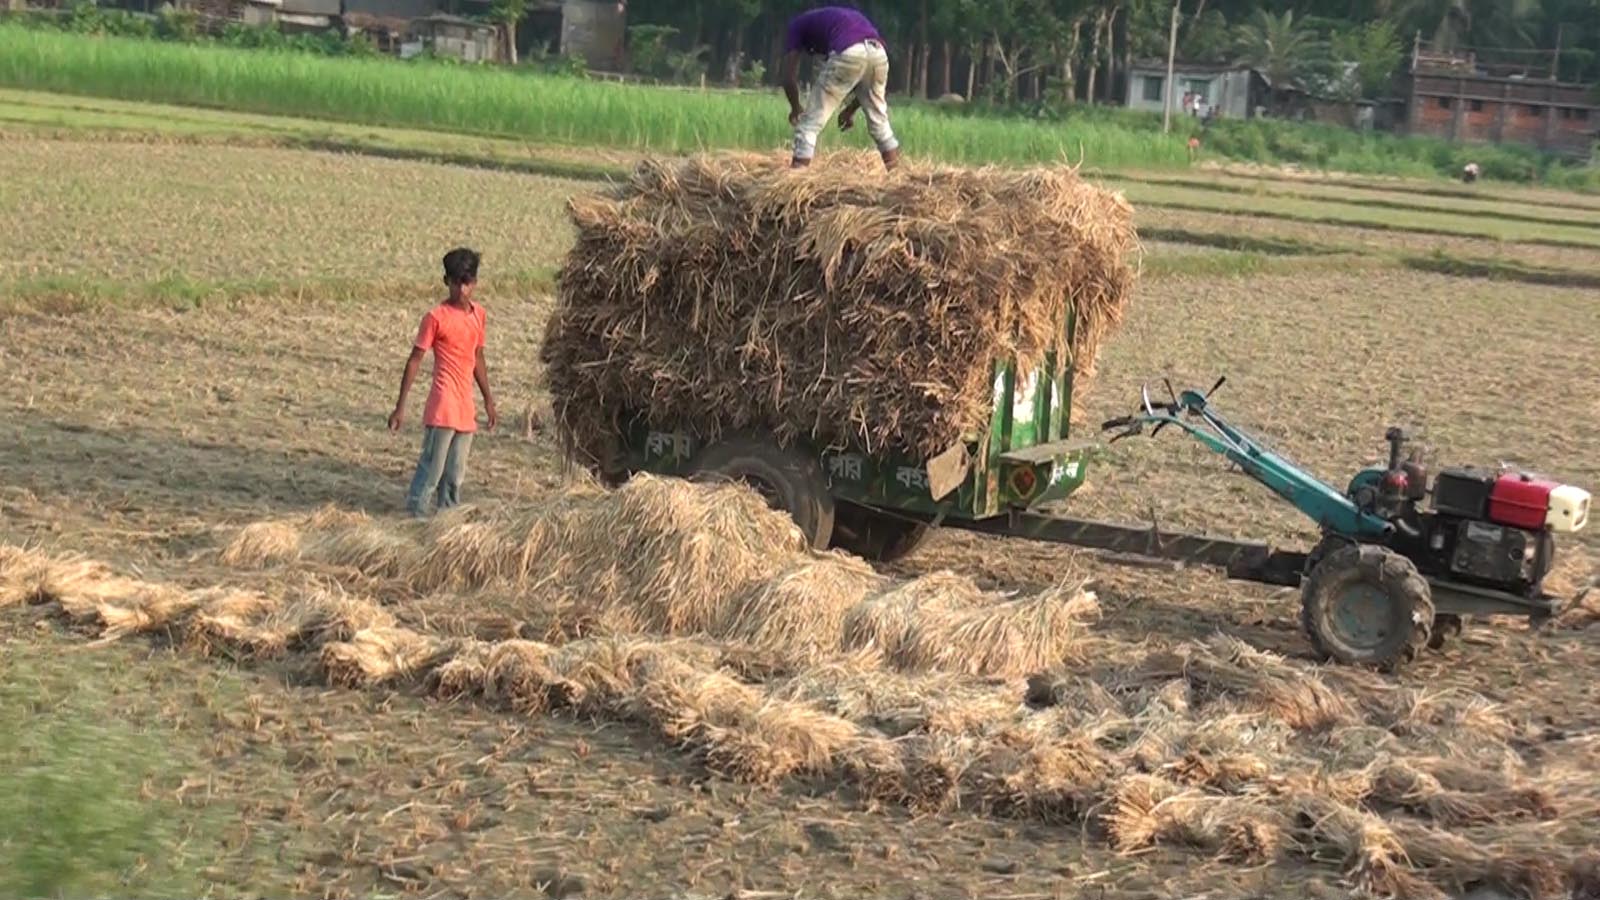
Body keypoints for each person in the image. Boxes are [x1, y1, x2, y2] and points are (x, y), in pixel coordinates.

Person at [389, 247, 497, 518]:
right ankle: (416, 520)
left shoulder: (478, 315)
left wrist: (488, 400)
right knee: (431, 471)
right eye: (456, 282)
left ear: (474, 283)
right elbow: (415, 360)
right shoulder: (436, 317)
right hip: (443, 405)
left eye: (467, 283)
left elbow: (477, 357)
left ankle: (447, 523)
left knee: (454, 476)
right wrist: (400, 407)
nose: (461, 289)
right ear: (446, 281)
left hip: (465, 409)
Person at [780, 6, 900, 170]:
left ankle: (795, 181)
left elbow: (788, 77)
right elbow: (866, 88)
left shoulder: (796, 26)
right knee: (880, 123)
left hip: (849, 50)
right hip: (878, 52)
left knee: (809, 123)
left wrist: (795, 108)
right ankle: (897, 177)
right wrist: (850, 110)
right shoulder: (838, 19)